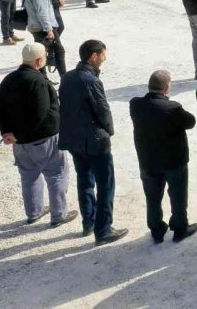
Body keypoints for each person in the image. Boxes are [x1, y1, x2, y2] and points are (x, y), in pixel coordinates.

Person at [0, 43, 76, 226]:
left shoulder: (9, 79)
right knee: (56, 174)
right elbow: (39, 114)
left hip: (20, 144)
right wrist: (19, 135)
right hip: (43, 140)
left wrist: (7, 133)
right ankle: (59, 215)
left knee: (29, 177)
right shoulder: (38, 81)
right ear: (39, 60)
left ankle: (34, 213)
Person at [58, 39, 128, 245]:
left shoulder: (68, 77)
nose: (105, 58)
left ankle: (88, 221)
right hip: (94, 141)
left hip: (74, 140)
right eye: (103, 54)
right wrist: (109, 131)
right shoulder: (91, 81)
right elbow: (102, 109)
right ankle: (104, 229)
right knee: (105, 184)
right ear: (94, 56)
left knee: (84, 181)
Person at [129, 69, 197, 244]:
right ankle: (180, 227)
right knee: (178, 195)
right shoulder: (172, 107)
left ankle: (156, 230)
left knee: (152, 197)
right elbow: (190, 122)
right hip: (173, 161)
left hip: (148, 161)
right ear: (167, 87)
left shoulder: (135, 104)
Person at [23, 0, 66, 76]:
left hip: (35, 26)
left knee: (40, 54)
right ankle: (63, 78)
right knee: (59, 52)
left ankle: (44, 78)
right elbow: (42, 13)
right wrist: (49, 30)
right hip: (43, 28)